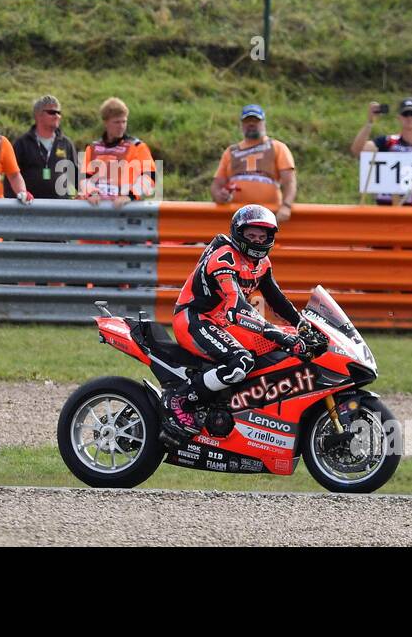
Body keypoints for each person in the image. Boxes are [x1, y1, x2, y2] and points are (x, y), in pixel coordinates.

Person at [162, 204, 309, 438]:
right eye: (251, 235)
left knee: (272, 346)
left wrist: (302, 325)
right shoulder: (225, 258)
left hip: (219, 322)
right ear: (239, 234)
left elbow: (277, 300)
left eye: (263, 236)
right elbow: (236, 306)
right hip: (194, 318)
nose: (258, 241)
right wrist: (274, 331)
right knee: (240, 361)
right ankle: (182, 399)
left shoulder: (262, 264)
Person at [211, 103, 297, 222]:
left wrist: (286, 206)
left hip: (269, 214)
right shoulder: (231, 151)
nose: (251, 124)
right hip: (236, 215)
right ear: (241, 125)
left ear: (263, 123)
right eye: (247, 121)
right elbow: (216, 185)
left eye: (255, 120)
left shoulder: (277, 147)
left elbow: (289, 181)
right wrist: (219, 195)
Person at [349, 97, 412, 205]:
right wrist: (369, 122)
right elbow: (357, 150)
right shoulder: (386, 142)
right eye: (405, 114)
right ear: (399, 117)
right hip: (384, 212)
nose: (409, 118)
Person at [81, 97, 156, 207]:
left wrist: (130, 196)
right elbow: (84, 178)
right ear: (106, 123)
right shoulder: (92, 148)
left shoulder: (137, 147)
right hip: (97, 208)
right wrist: (91, 192)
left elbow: (150, 176)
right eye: (116, 122)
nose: (121, 126)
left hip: (124, 209)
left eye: (124, 122)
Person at [6, 94, 78, 200]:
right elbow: (11, 177)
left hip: (61, 209)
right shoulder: (22, 143)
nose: (57, 116)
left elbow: (76, 176)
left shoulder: (66, 143)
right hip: (30, 208)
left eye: (59, 113)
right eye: (52, 112)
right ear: (38, 115)